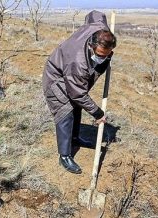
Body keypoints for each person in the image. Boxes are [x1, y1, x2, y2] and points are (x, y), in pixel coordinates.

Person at [42, 10, 117, 174]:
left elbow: (95, 15)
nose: (102, 59)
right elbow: (77, 93)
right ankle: (64, 155)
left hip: (70, 76)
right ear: (91, 45)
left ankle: (74, 138)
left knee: (77, 108)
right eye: (99, 55)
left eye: (107, 55)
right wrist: (98, 113)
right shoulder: (78, 62)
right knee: (66, 113)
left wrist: (106, 57)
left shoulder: (100, 29)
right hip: (57, 78)